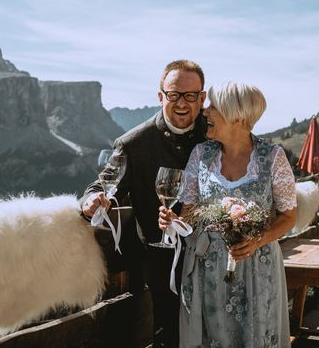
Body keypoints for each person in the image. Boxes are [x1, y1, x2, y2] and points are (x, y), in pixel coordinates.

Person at [80, 60, 207, 348]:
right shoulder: (134, 143)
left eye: (190, 95)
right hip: (161, 262)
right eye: (174, 94)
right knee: (169, 335)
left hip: (210, 255)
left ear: (202, 97)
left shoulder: (215, 132)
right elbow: (104, 183)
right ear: (161, 96)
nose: (182, 103)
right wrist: (91, 200)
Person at [160, 82, 297, 348]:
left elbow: (288, 216)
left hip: (257, 266)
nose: (205, 112)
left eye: (213, 106)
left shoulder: (273, 157)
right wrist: (173, 222)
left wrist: (257, 240)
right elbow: (189, 214)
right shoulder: (201, 155)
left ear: (236, 115)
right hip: (207, 269)